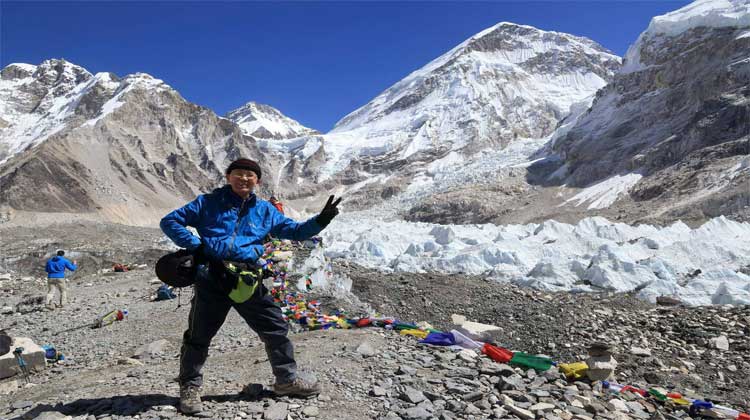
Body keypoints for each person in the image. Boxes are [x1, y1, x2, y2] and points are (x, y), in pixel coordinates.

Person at [160, 157, 341, 414]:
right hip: (212, 277)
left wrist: (321, 220)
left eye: (250, 175)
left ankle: (286, 380)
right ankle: (189, 389)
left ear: (257, 180)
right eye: (238, 173)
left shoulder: (265, 211)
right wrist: (197, 246)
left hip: (247, 280)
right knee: (199, 335)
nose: (244, 178)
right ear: (228, 177)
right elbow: (170, 221)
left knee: (275, 327)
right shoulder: (207, 203)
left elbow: (297, 231)